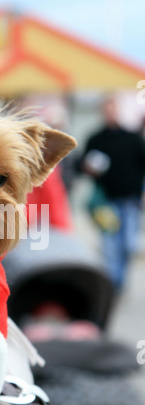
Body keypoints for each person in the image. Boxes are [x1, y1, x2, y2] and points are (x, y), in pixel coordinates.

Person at [81, 96, 145, 292]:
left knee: (127, 244)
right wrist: (89, 168)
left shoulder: (132, 138)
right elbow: (83, 166)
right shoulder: (95, 139)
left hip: (129, 201)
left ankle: (120, 279)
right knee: (110, 245)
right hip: (105, 202)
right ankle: (113, 283)